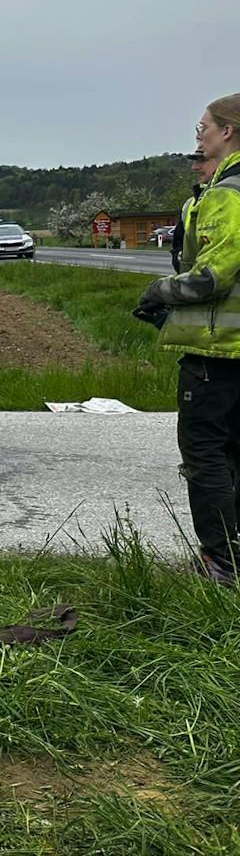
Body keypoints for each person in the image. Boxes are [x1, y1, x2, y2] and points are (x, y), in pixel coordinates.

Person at [139, 94, 240, 586]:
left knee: (206, 454)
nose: (198, 136)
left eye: (204, 128)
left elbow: (211, 277)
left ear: (229, 131)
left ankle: (221, 564)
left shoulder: (227, 194)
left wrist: (160, 290)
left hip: (218, 349)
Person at [171, 153, 217, 273]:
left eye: (202, 160)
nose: (194, 167)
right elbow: (178, 245)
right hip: (197, 287)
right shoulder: (189, 204)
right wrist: (180, 258)